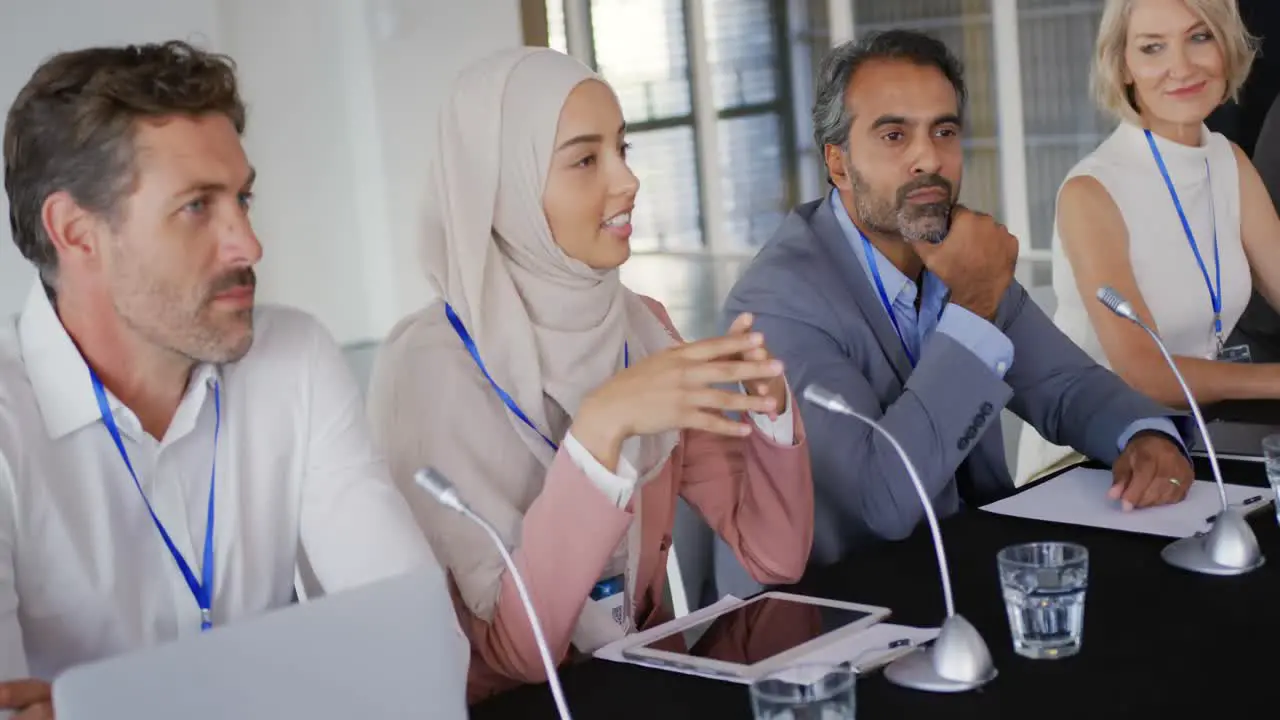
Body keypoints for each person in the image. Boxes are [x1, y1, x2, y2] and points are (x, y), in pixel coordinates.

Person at [0, 41, 465, 717]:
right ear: (77, 233)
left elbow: (427, 657)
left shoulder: (295, 358)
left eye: (242, 198)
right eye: (196, 206)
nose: (248, 243)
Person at [366, 47, 813, 703]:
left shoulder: (642, 326)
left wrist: (771, 411)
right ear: (503, 188)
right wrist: (602, 428)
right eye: (585, 159)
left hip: (651, 692)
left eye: (623, 149)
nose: (627, 180)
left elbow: (776, 557)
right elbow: (520, 656)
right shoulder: (427, 371)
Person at [723, 29, 1192, 566]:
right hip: (838, 611)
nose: (929, 158)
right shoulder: (774, 306)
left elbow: (1066, 386)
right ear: (838, 164)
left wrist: (1146, 435)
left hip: (971, 564)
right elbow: (882, 500)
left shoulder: (953, 250)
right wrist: (972, 304)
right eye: (894, 136)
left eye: (944, 130)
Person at [1019, 0, 1280, 479]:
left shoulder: (1228, 161)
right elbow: (1145, 372)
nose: (1180, 67)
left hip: (1192, 434)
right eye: (1152, 48)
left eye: (1200, 37)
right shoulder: (1091, 190)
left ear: (1227, 46)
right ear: (1123, 66)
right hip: (1093, 456)